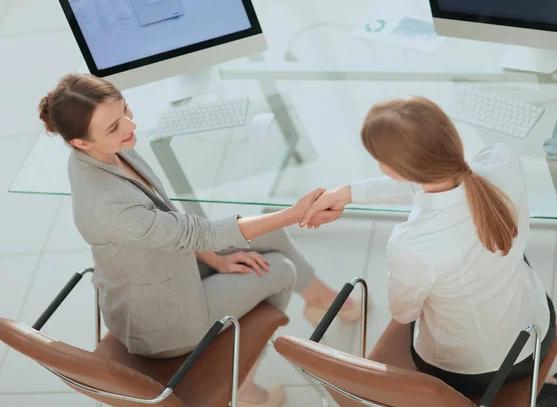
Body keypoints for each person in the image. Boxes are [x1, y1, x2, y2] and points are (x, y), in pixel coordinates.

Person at [38, 73, 360, 407]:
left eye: (125, 112)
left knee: (270, 233)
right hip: (163, 325)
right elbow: (195, 232)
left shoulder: (109, 151)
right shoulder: (105, 203)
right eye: (113, 127)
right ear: (80, 143)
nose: (130, 126)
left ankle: (319, 297)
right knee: (279, 270)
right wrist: (294, 213)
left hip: (168, 271)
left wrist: (216, 259)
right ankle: (245, 384)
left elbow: (174, 224)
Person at [302, 96, 557, 407]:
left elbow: (405, 314)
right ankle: (545, 382)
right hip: (537, 331)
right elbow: (442, 179)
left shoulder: (411, 243)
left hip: (469, 372)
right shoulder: (503, 160)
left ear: (394, 171)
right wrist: (348, 193)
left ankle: (532, 388)